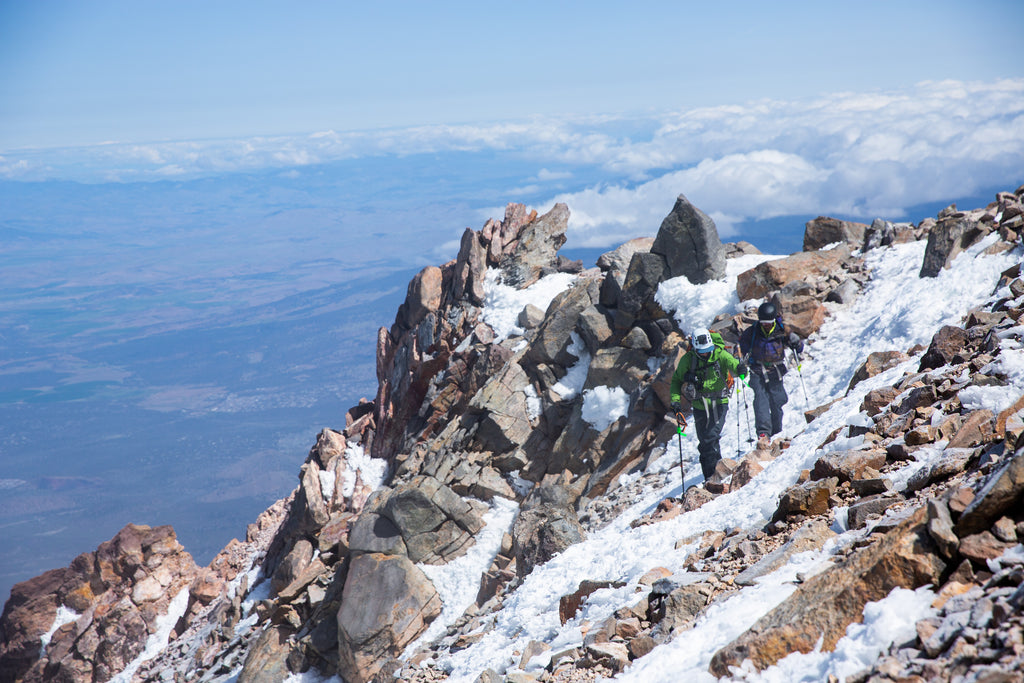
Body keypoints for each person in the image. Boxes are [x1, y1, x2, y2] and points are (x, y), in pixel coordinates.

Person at [670, 327, 746, 481]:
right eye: (702, 350)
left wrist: (740, 368)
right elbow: (676, 381)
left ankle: (714, 478)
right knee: (705, 442)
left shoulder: (720, 354)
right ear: (696, 348)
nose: (706, 352)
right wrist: (675, 401)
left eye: (708, 349)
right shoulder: (688, 360)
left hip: (719, 403)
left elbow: (735, 366)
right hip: (699, 406)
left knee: (710, 438)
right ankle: (713, 476)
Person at [738, 301, 804, 447]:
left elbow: (798, 348)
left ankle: (776, 431)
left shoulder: (782, 330)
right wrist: (740, 363)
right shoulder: (752, 332)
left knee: (778, 400)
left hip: (776, 370)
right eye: (763, 322)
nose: (766, 325)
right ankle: (763, 433)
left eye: (769, 322)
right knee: (760, 399)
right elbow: (742, 349)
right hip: (757, 370)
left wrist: (796, 343)